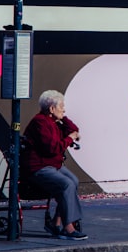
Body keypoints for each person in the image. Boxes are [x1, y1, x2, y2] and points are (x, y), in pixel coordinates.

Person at [22, 89, 87, 240]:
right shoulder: (41, 123)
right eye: (61, 107)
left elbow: (73, 129)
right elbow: (53, 148)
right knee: (66, 184)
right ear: (51, 109)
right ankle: (68, 227)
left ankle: (55, 222)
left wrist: (63, 119)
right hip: (38, 167)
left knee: (74, 181)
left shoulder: (54, 121)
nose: (64, 110)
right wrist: (70, 138)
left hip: (52, 165)